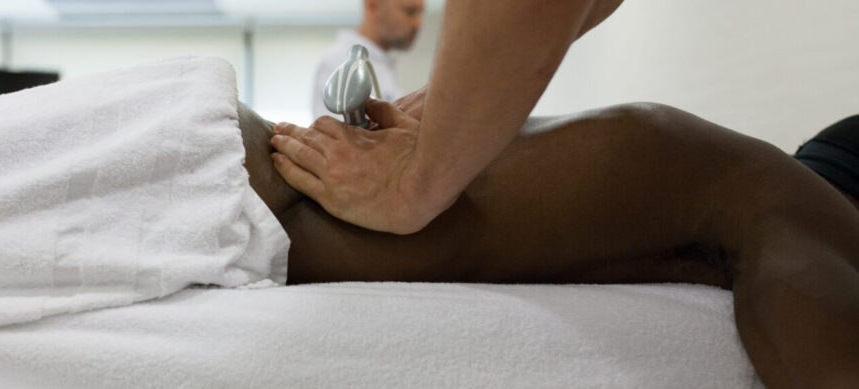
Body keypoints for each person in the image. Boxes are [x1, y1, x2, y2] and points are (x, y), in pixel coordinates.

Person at [269, 1, 859, 387]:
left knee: (727, 180)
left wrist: (417, 183)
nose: (419, 19)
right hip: (826, 170)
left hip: (801, 187)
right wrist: (449, 119)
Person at [311, 0, 424, 120]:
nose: (419, 23)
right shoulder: (340, 63)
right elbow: (340, 135)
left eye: (421, 13)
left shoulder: (384, 63)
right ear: (372, 6)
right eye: (410, 11)